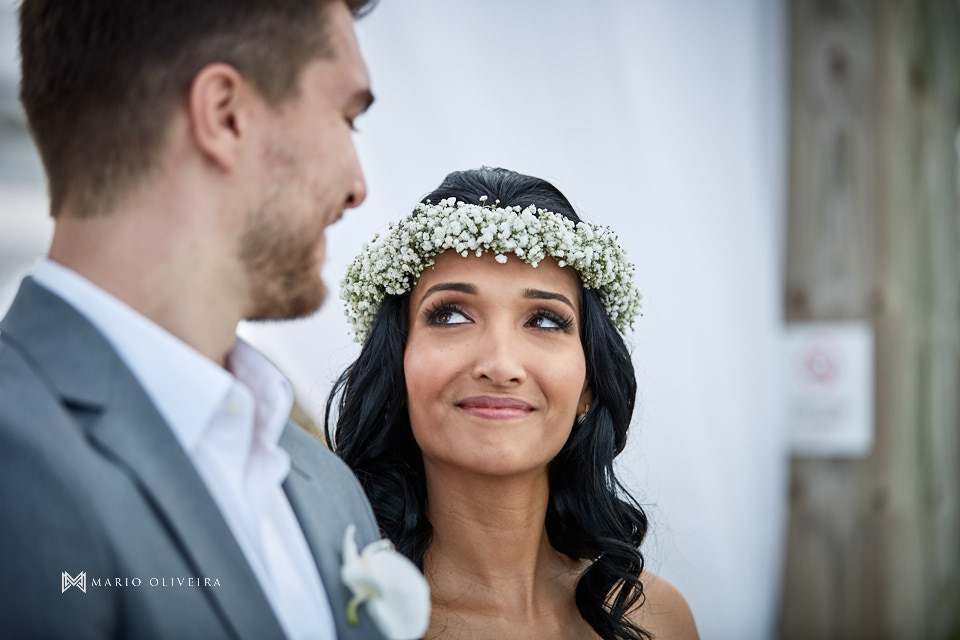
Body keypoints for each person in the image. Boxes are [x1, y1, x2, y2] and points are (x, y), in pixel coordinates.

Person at [0, 1, 407, 638]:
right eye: (346, 117)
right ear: (225, 115)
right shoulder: (15, 453)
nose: (358, 186)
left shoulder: (326, 484)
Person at [326, 167, 700, 639]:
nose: (501, 365)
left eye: (545, 321)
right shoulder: (332, 611)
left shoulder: (658, 619)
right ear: (396, 364)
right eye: (451, 315)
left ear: (589, 383)